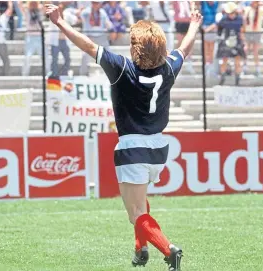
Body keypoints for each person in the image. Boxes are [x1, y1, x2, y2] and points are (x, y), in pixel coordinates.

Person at [45, 2, 202, 270]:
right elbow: (184, 49)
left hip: (132, 147)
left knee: (136, 214)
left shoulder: (121, 68)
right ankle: (140, 250)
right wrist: (195, 25)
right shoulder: (168, 69)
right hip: (159, 147)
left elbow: (87, 46)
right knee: (141, 203)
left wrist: (60, 22)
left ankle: (169, 249)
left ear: (135, 47)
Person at [217, 2, 246, 86]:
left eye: (232, 12)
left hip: (237, 41)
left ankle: (237, 79)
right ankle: (222, 77)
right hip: (226, 41)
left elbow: (242, 30)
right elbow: (219, 30)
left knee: (237, 60)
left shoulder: (240, 19)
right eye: (229, 13)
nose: (231, 15)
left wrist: (243, 42)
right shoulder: (223, 19)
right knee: (224, 60)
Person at [79, 1, 112, 76]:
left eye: (97, 3)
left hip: (101, 37)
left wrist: (109, 25)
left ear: (99, 4)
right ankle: (82, 75)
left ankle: (110, 74)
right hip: (89, 37)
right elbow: (81, 17)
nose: (95, 4)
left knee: (109, 55)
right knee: (84, 56)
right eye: (94, 3)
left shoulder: (102, 12)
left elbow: (108, 24)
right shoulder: (86, 12)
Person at [20, 1, 49, 76]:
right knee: (27, 57)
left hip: (39, 37)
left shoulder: (40, 12)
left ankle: (48, 73)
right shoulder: (27, 12)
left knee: (45, 57)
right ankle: (24, 75)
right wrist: (27, 5)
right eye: (32, 3)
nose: (33, 5)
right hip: (30, 37)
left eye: (35, 3)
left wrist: (40, 4)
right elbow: (20, 5)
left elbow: (47, 4)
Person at [243, 1, 263, 77]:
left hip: (257, 32)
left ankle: (257, 69)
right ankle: (244, 66)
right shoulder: (247, 9)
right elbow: (244, 19)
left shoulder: (260, 10)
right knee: (245, 49)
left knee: (255, 51)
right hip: (248, 32)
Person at [173, 1, 195, 74]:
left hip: (188, 23)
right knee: (180, 44)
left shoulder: (189, 2)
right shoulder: (176, 2)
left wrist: (192, 5)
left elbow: (192, 12)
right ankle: (179, 65)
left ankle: (189, 64)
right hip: (180, 23)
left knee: (189, 44)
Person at [200, 1, 219, 71]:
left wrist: (209, 28)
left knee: (211, 49)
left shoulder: (217, 3)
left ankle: (210, 67)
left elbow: (217, 19)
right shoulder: (203, 3)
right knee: (205, 49)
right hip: (205, 28)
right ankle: (205, 67)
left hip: (213, 28)